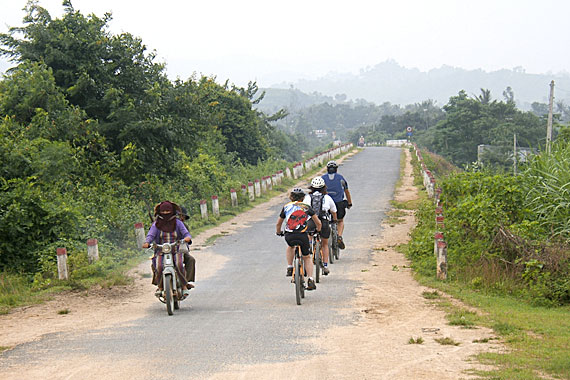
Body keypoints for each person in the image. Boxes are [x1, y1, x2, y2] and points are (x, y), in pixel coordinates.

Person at [142, 201, 193, 297]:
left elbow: (186, 234)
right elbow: (151, 234)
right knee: (159, 266)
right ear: (160, 212)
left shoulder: (178, 223)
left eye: (168, 211)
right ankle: (160, 286)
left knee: (179, 264)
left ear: (172, 211)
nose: (165, 213)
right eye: (163, 211)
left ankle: (184, 285)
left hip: (176, 249)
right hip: (161, 250)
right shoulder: (156, 224)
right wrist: (147, 242)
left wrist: (186, 238)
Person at [275, 188, 322, 290]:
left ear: (291, 197)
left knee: (290, 246)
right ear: (303, 198)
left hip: (289, 235)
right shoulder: (306, 207)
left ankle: (290, 266)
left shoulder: (286, 207)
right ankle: (310, 279)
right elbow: (318, 222)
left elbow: (279, 223)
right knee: (307, 257)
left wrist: (278, 232)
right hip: (302, 235)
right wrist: (318, 230)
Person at [303, 177, 338, 275]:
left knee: (308, 235)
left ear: (312, 188)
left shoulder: (307, 198)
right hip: (324, 222)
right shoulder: (327, 198)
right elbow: (334, 211)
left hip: (311, 222)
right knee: (325, 244)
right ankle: (325, 266)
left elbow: (303, 211)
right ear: (324, 187)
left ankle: (309, 245)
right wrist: (334, 220)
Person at [321, 160, 352, 249]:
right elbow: (347, 192)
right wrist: (349, 203)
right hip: (339, 203)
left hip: (326, 204)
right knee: (340, 220)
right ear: (336, 169)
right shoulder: (341, 178)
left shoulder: (322, 178)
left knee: (325, 220)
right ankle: (339, 236)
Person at [177, 206, 196, 289]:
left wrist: (186, 239)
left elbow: (188, 238)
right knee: (155, 263)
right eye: (180, 216)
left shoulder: (184, 226)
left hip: (181, 249)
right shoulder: (165, 224)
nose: (182, 218)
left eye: (183, 217)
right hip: (167, 249)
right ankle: (160, 283)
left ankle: (185, 281)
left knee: (191, 260)